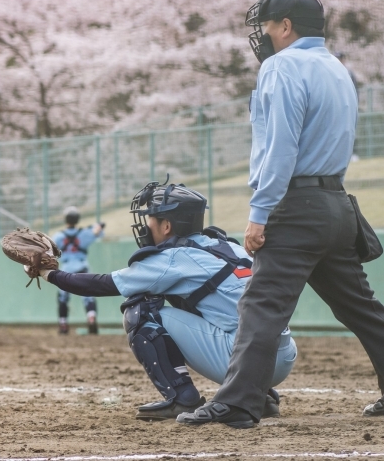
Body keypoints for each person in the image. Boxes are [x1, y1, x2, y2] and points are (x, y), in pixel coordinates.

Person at [177, 0, 384, 429]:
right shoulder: (337, 69)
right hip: (337, 206)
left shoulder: (281, 66)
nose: (265, 35)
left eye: (268, 25)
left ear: (286, 26)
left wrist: (259, 212)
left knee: (262, 307)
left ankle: (237, 404)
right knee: (362, 310)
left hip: (295, 207)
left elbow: (281, 148)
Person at [28, 180, 297, 421]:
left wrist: (49, 273)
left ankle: (182, 398)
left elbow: (105, 284)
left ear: (167, 225)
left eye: (152, 219)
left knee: (141, 309)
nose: (146, 225)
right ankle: (259, 397)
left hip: (243, 358)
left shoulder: (175, 257)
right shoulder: (229, 246)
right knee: (191, 300)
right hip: (281, 354)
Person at [51, 207, 104, 334]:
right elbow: (98, 233)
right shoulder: (84, 233)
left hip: (66, 270)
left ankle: (63, 324)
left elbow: (50, 248)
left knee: (63, 297)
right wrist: (99, 226)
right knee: (88, 296)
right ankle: (91, 318)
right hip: (82, 267)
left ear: (65, 219)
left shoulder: (58, 236)